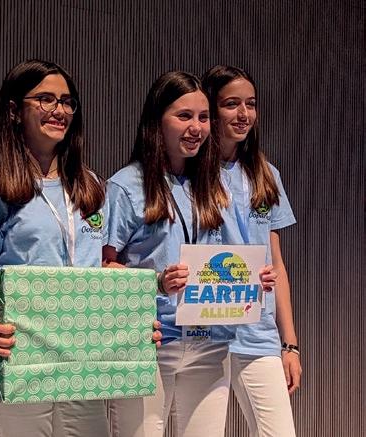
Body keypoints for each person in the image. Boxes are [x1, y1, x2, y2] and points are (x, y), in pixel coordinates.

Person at [103, 71, 276, 437]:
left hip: (209, 343)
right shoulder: (126, 186)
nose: (196, 127)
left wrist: (248, 279)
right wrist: (155, 282)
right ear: (157, 121)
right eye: (184, 116)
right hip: (148, 343)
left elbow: (221, 259)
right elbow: (102, 267)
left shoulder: (210, 185)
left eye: (203, 117)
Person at [0, 59, 111, 437]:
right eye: (45, 99)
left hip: (81, 350)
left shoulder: (91, 186)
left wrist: (136, 312)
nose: (60, 110)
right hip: (18, 348)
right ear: (14, 111)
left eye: (67, 101)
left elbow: (104, 272)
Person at [202, 65, 302, 437]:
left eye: (251, 104)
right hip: (205, 330)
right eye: (231, 104)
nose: (244, 113)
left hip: (257, 334)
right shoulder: (191, 173)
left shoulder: (265, 173)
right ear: (211, 109)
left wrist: (289, 344)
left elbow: (276, 264)